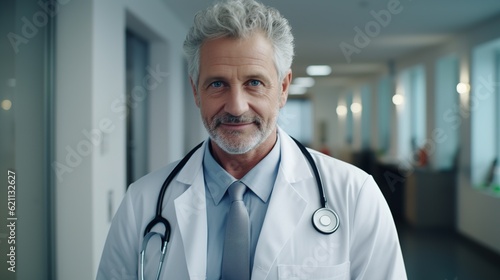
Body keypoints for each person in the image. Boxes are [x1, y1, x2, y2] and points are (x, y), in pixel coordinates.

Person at [97, 0, 407, 279]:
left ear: (283, 88)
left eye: (254, 82)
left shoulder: (355, 195)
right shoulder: (143, 202)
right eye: (217, 83)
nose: (236, 106)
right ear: (195, 91)